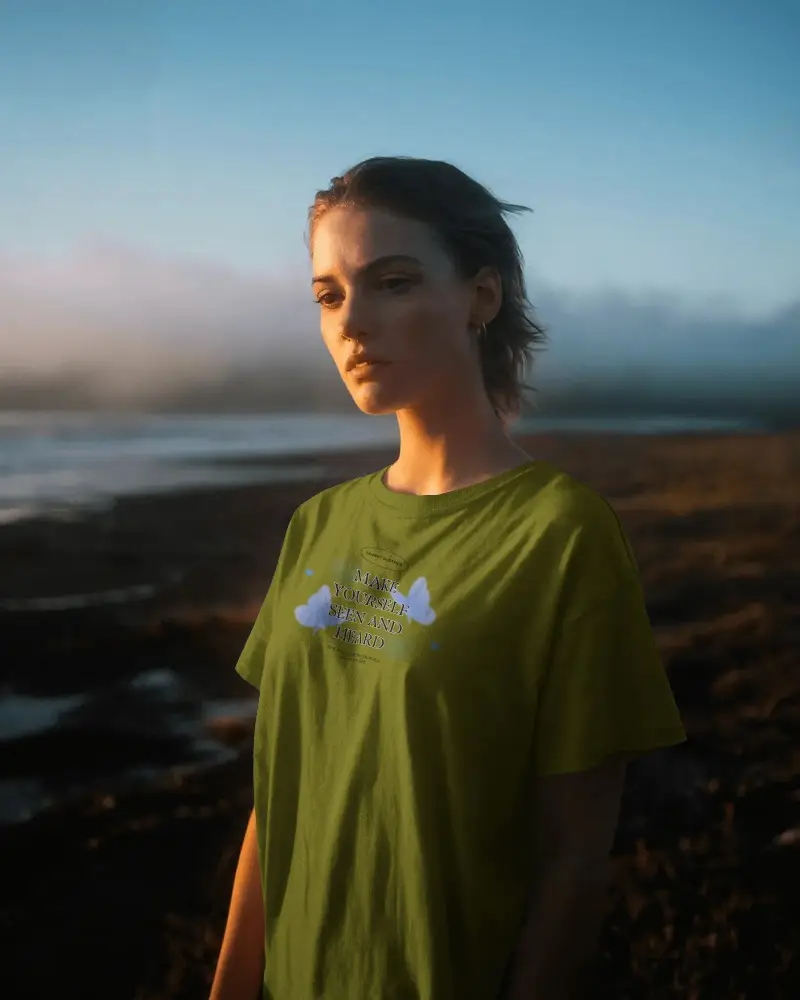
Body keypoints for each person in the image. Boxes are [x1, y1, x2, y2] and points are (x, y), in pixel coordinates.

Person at [209, 156, 687, 1000]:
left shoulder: (559, 533)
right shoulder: (318, 524)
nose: (353, 324)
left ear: (482, 296)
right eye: (328, 296)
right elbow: (277, 795)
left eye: (392, 283)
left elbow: (574, 859)